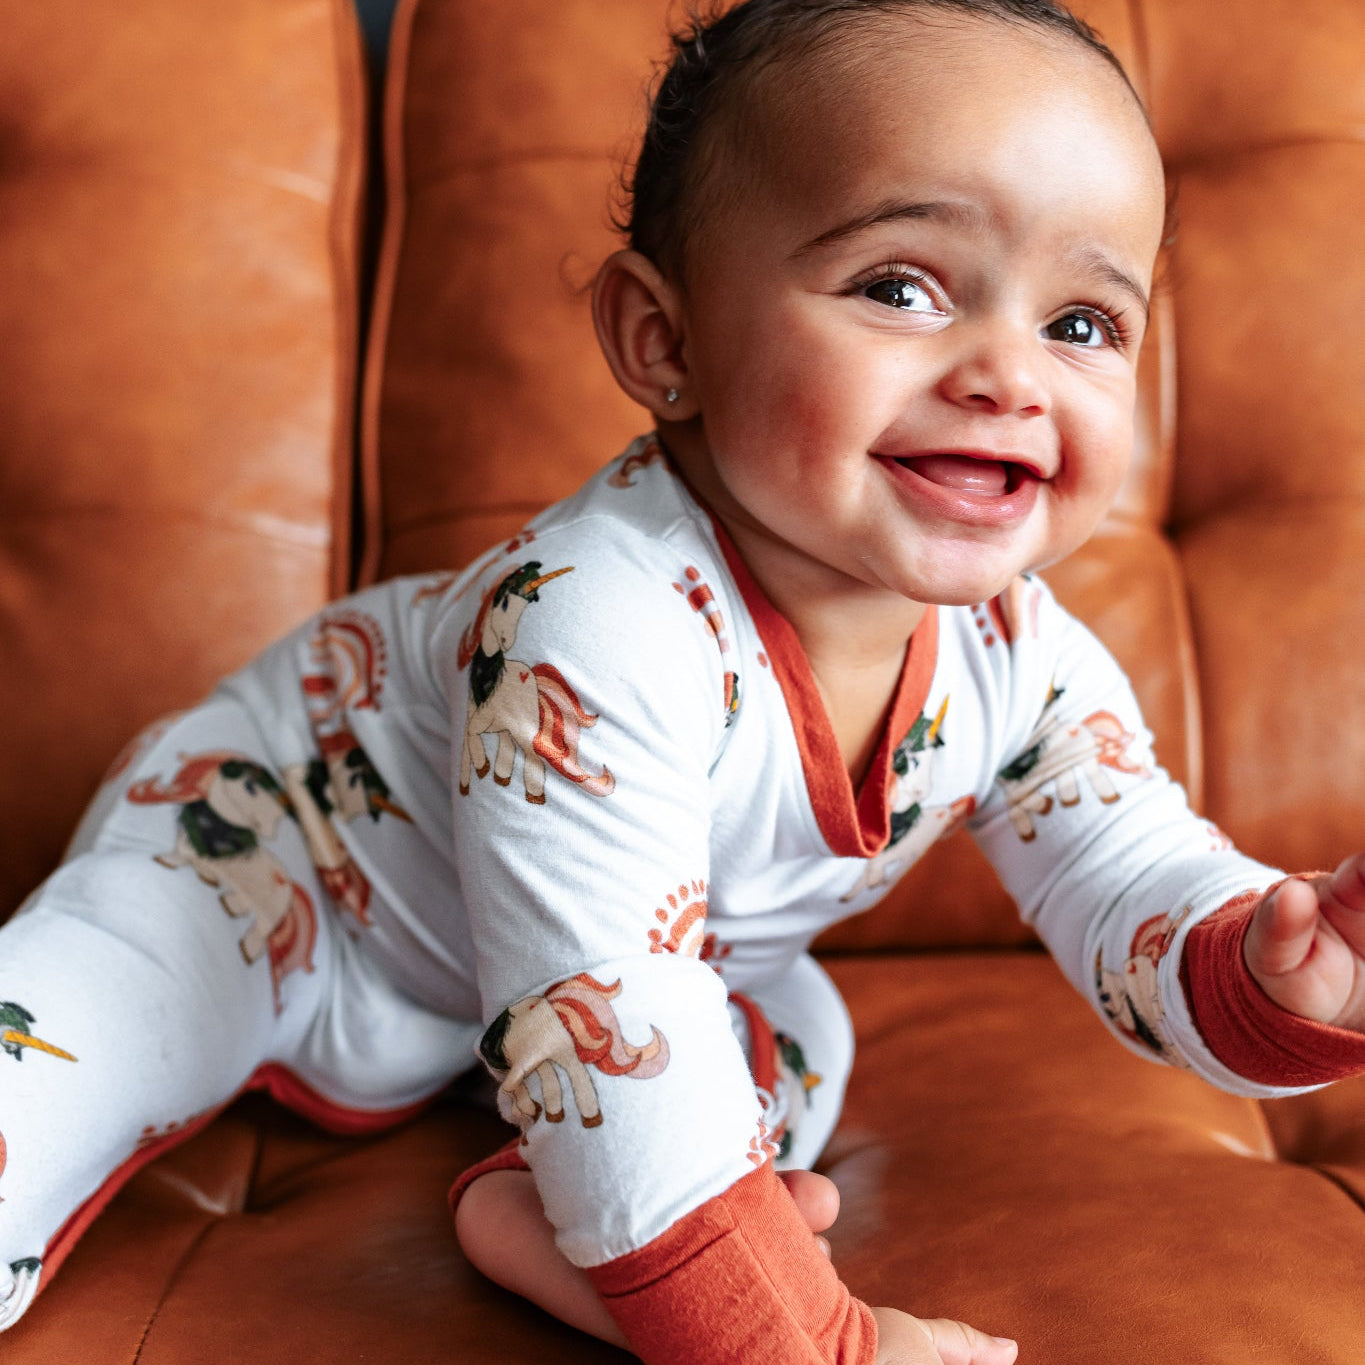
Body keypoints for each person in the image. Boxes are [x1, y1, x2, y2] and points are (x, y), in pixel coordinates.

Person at [3, 2, 1364, 1362]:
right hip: (284, 863)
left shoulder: (1019, 654)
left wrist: (1272, 967)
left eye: (1080, 319)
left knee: (792, 1045)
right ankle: (583, 1184)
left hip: (568, 985)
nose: (1010, 373)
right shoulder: (596, 619)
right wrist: (808, 1339)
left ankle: (550, 1209)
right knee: (64, 1035)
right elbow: (613, 1024)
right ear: (665, 341)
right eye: (900, 286)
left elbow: (1128, 874)